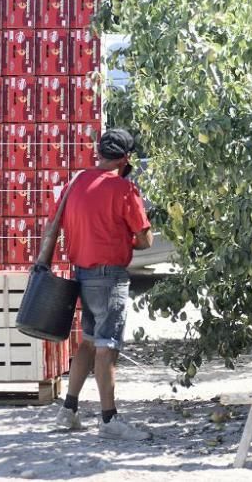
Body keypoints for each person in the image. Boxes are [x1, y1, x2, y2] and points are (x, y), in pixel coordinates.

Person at [51, 128, 154, 440]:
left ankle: (68, 410)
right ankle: (109, 420)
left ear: (99, 153)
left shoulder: (76, 182)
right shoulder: (124, 189)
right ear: (126, 158)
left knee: (87, 341)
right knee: (107, 347)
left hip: (81, 273)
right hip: (109, 277)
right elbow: (145, 240)